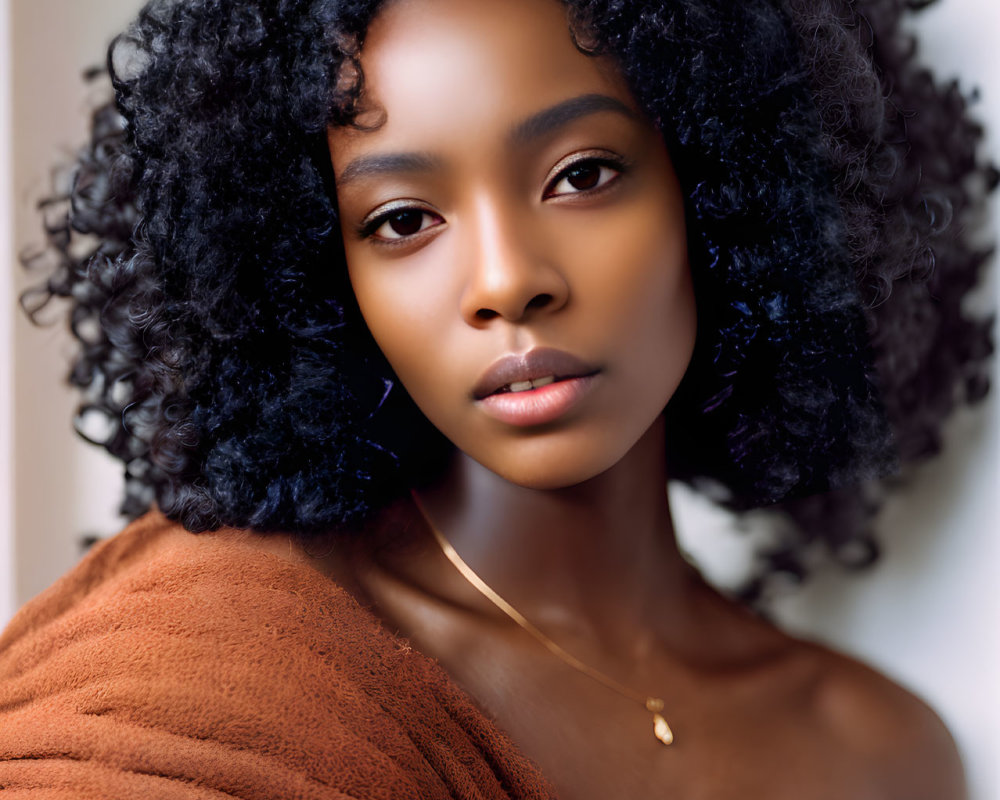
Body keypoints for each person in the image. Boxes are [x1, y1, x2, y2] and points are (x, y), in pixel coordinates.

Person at [1, 0, 992, 797]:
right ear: (313, 270)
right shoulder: (205, 684)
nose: (506, 281)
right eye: (400, 219)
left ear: (727, 181)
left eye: (582, 173)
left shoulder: (880, 752)